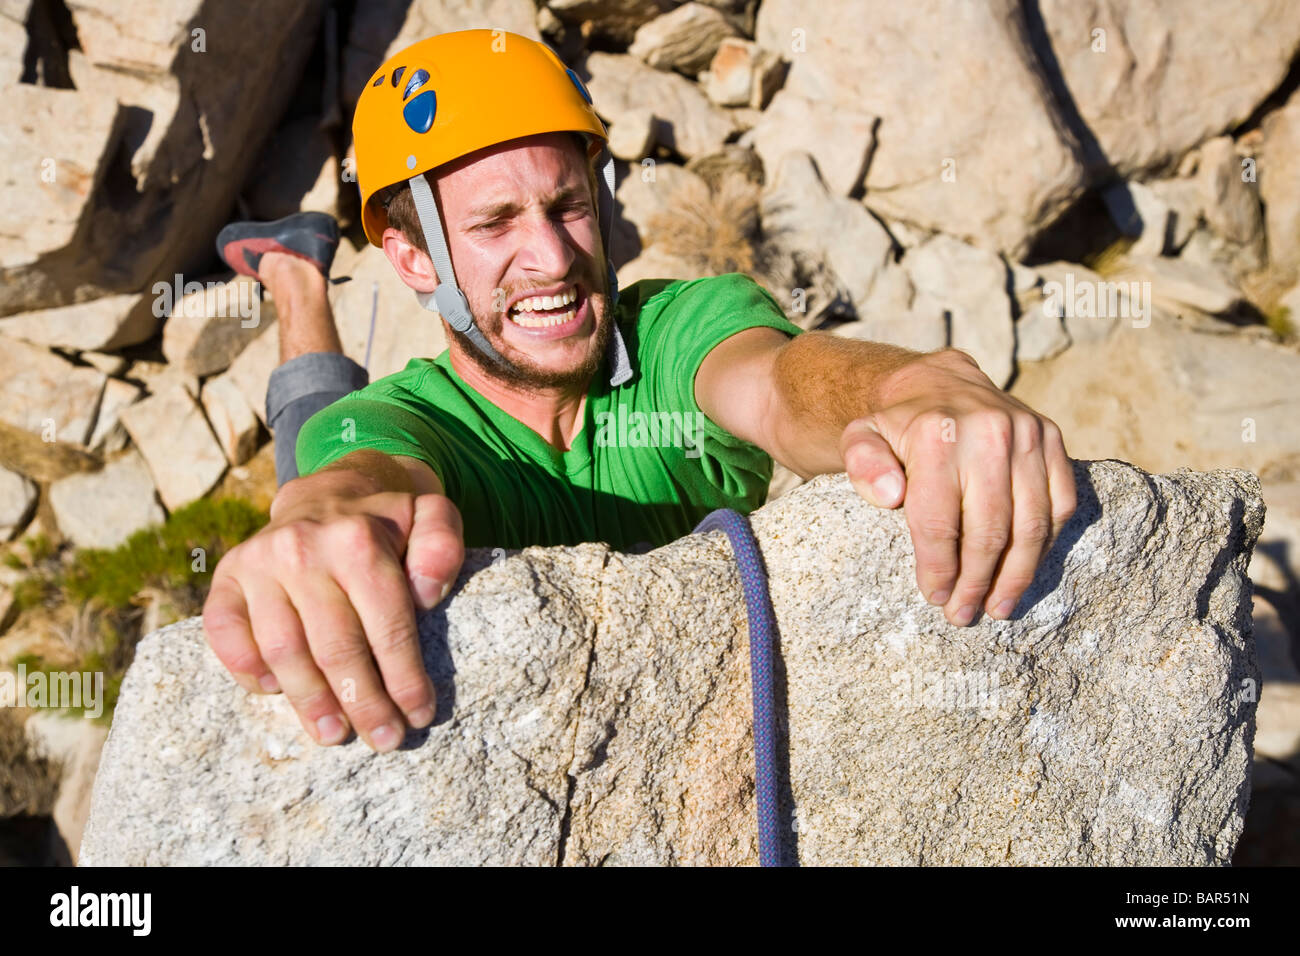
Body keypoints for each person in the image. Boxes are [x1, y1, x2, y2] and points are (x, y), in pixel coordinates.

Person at [203, 29, 1076, 754]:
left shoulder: (674, 328)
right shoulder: (399, 421)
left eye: (568, 205)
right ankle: (295, 275)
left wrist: (902, 387)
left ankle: (297, 264)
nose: (551, 258)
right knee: (311, 428)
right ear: (414, 258)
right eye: (495, 223)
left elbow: (776, 382)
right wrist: (324, 509)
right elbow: (357, 469)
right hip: (355, 422)